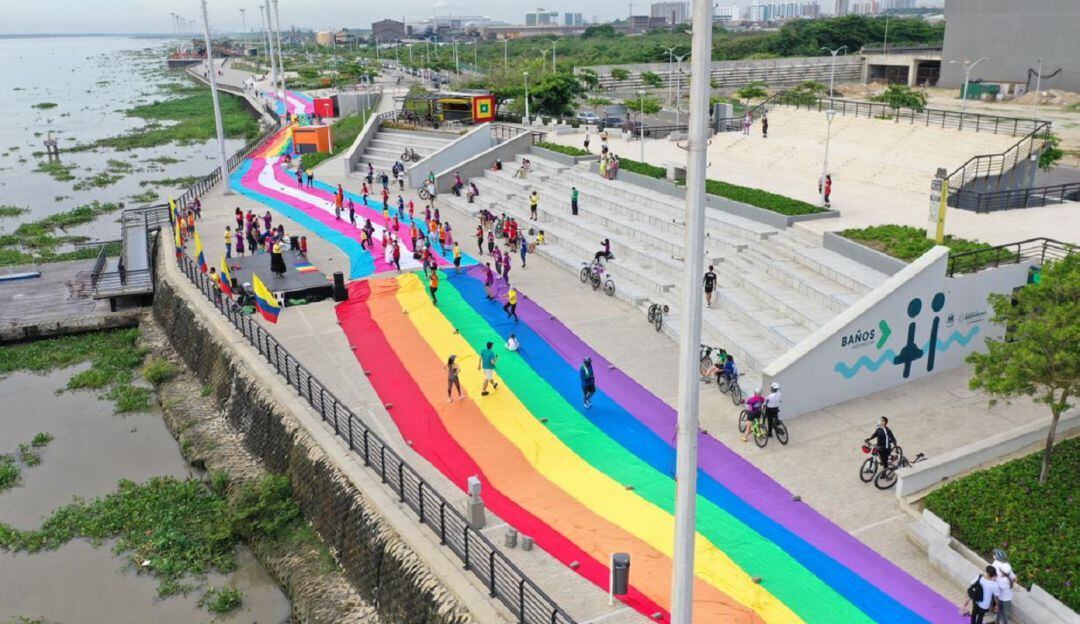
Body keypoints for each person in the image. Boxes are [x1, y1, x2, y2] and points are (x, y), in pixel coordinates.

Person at [991, 552, 1018, 624]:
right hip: (1008, 598)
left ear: (1002, 572)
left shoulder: (1001, 580)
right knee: (1000, 611)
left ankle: (1003, 622)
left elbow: (996, 588)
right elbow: (1015, 579)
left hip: (1002, 599)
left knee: (1003, 614)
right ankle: (996, 621)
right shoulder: (1008, 577)